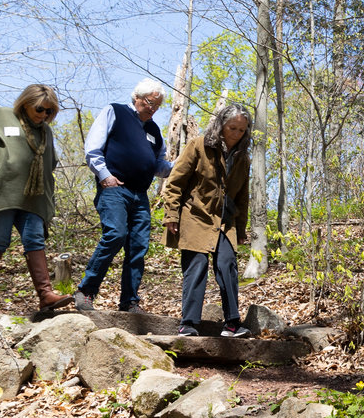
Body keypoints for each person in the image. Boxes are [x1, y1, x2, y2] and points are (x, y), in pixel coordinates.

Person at [0, 83, 74, 312]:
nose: (44, 115)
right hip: (5, 192)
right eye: (40, 109)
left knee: (35, 240)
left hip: (34, 196)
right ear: (26, 103)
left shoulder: (46, 131)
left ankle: (46, 295)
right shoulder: (4, 116)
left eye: (49, 111)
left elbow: (51, 161)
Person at [73, 78, 174, 312]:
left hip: (140, 195)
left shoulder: (154, 130)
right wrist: (104, 175)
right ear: (137, 98)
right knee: (115, 234)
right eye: (150, 103)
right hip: (115, 189)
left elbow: (158, 165)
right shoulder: (115, 111)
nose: (152, 109)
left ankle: (129, 301)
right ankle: (85, 291)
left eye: (157, 106)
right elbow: (93, 148)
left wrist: (179, 166)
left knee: (138, 246)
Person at [162, 103, 251, 338]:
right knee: (197, 265)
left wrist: (241, 228)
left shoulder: (243, 158)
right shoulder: (199, 146)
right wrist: (171, 214)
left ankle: (232, 323)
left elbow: (242, 196)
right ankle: (189, 324)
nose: (237, 134)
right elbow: (174, 182)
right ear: (221, 125)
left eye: (242, 130)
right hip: (195, 216)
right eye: (233, 128)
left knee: (227, 264)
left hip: (224, 221)